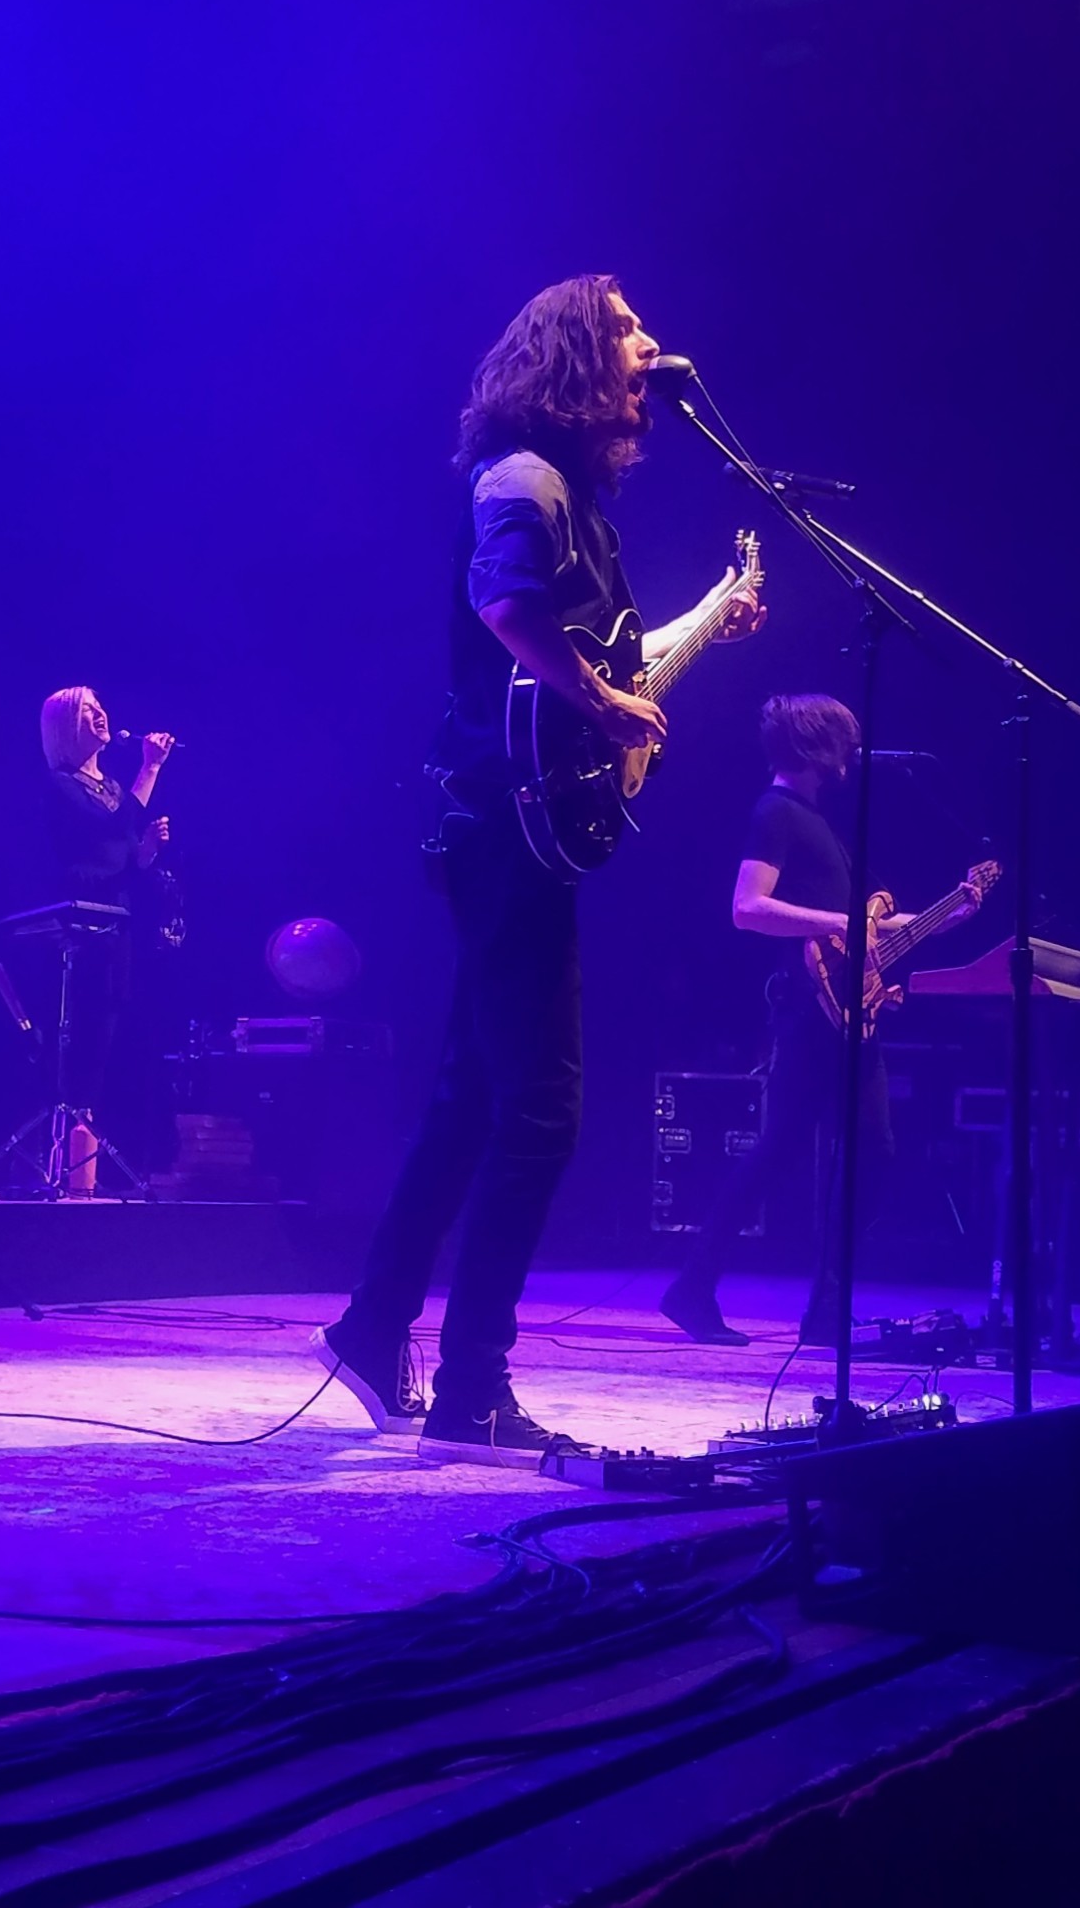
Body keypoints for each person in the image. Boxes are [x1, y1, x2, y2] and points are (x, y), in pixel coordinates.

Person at [313, 274, 763, 1466]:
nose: (652, 347)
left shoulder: (570, 493)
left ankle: (372, 1326)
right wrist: (602, 701)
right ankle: (471, 1388)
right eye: (628, 332)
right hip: (505, 835)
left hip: (506, 831)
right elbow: (508, 608)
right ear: (574, 357)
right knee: (543, 1111)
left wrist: (707, 618)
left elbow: (607, 658)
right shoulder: (522, 477)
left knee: (471, 1096)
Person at [658, 694, 979, 1348]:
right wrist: (840, 921)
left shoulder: (817, 822)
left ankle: (819, 1303)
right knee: (786, 1149)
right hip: (809, 1010)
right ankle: (699, 1287)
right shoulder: (775, 812)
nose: (851, 757)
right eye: (844, 743)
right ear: (818, 749)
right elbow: (748, 907)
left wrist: (947, 914)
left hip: (851, 1012)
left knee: (867, 1153)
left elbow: (868, 929)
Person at [40, 686, 173, 1195]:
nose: (100, 714)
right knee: (77, 1034)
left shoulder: (112, 787)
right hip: (79, 923)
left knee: (107, 1032)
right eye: (86, 710)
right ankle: (63, 1155)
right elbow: (107, 828)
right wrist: (151, 768)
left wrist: (148, 852)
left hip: (117, 921)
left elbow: (124, 853)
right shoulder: (61, 785)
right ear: (65, 726)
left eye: (100, 707)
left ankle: (85, 1161)